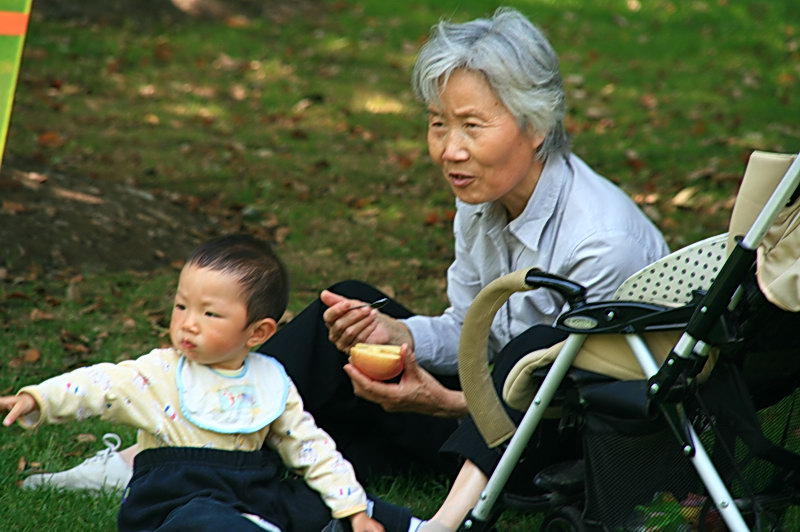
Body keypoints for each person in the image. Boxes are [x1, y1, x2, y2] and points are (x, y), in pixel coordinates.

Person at [18, 7, 670, 532]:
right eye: (438, 123)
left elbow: (571, 399)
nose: (450, 148)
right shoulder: (481, 200)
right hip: (487, 396)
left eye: (472, 124)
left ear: (537, 126)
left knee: (532, 347)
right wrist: (403, 338)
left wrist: (439, 402)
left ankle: (431, 521)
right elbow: (469, 326)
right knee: (359, 307)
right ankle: (155, 451)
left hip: (546, 442)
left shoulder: (599, 240)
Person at [0, 234, 404, 532]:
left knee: (311, 500)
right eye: (181, 306)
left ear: (258, 332)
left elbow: (310, 447)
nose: (188, 322)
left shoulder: (270, 381)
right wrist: (38, 398)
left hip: (252, 496)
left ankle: (404, 525)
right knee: (204, 520)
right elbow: (97, 384)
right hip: (175, 504)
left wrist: (353, 509)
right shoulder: (158, 372)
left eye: (209, 314)